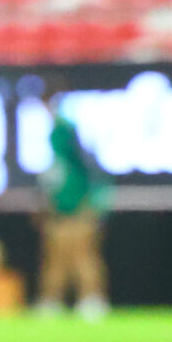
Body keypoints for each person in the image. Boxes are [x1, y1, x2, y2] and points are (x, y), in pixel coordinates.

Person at [33, 81, 112, 319]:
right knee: (55, 257)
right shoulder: (54, 134)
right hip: (60, 207)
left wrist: (93, 201)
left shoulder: (69, 131)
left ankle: (93, 300)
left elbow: (91, 170)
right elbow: (55, 175)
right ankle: (51, 301)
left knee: (83, 255)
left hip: (80, 204)